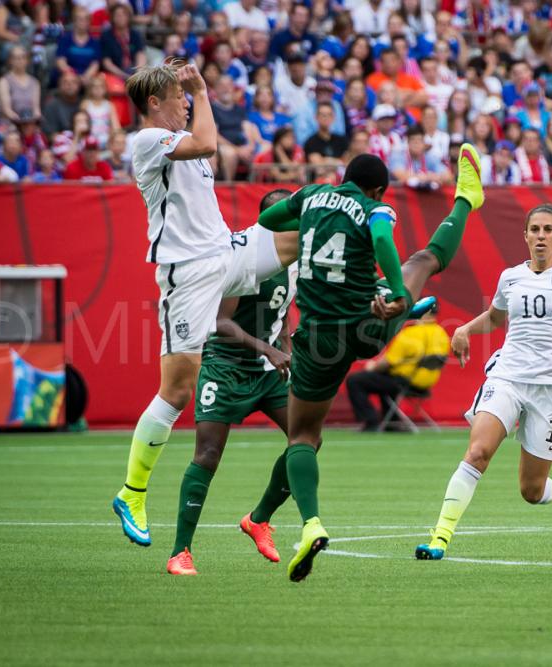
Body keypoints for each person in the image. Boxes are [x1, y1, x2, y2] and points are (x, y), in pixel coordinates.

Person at [253, 146, 486, 582]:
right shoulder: (376, 208)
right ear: (378, 189)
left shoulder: (309, 196)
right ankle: (465, 202)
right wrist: (397, 291)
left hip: (317, 339)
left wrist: (307, 227)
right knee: (423, 261)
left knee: (303, 436)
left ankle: (311, 523)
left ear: (343, 177)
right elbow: (381, 239)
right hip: (366, 325)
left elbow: (267, 219)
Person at [414, 203, 552, 561]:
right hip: (507, 377)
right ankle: (440, 538)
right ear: (525, 236)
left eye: (548, 230)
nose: (541, 236)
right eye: (534, 230)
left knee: (531, 490)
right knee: (478, 452)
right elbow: (495, 318)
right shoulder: (510, 277)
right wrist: (465, 329)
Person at [112, 62, 233, 548]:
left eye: (187, 95)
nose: (186, 102)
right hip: (189, 273)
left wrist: (198, 97)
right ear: (154, 103)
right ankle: (132, 492)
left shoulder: (183, 140)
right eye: (178, 96)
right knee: (178, 390)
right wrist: (202, 90)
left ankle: (379, 297)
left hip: (224, 253)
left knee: (287, 242)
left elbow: (206, 149)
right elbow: (207, 144)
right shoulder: (147, 140)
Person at [166, 189, 300, 576]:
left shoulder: (293, 259)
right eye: (291, 216)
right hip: (225, 365)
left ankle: (259, 519)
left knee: (307, 439)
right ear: (272, 222)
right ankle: (180, 552)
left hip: (267, 371)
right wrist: (269, 350)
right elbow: (221, 323)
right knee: (208, 455)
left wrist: (286, 350)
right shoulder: (244, 256)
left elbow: (281, 314)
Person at [346, 298, 450, 432]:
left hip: (404, 382)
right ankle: (392, 421)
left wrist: (373, 367)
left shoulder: (411, 333)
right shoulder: (442, 335)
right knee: (385, 379)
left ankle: (371, 421)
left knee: (355, 380)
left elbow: (387, 362)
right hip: (425, 385)